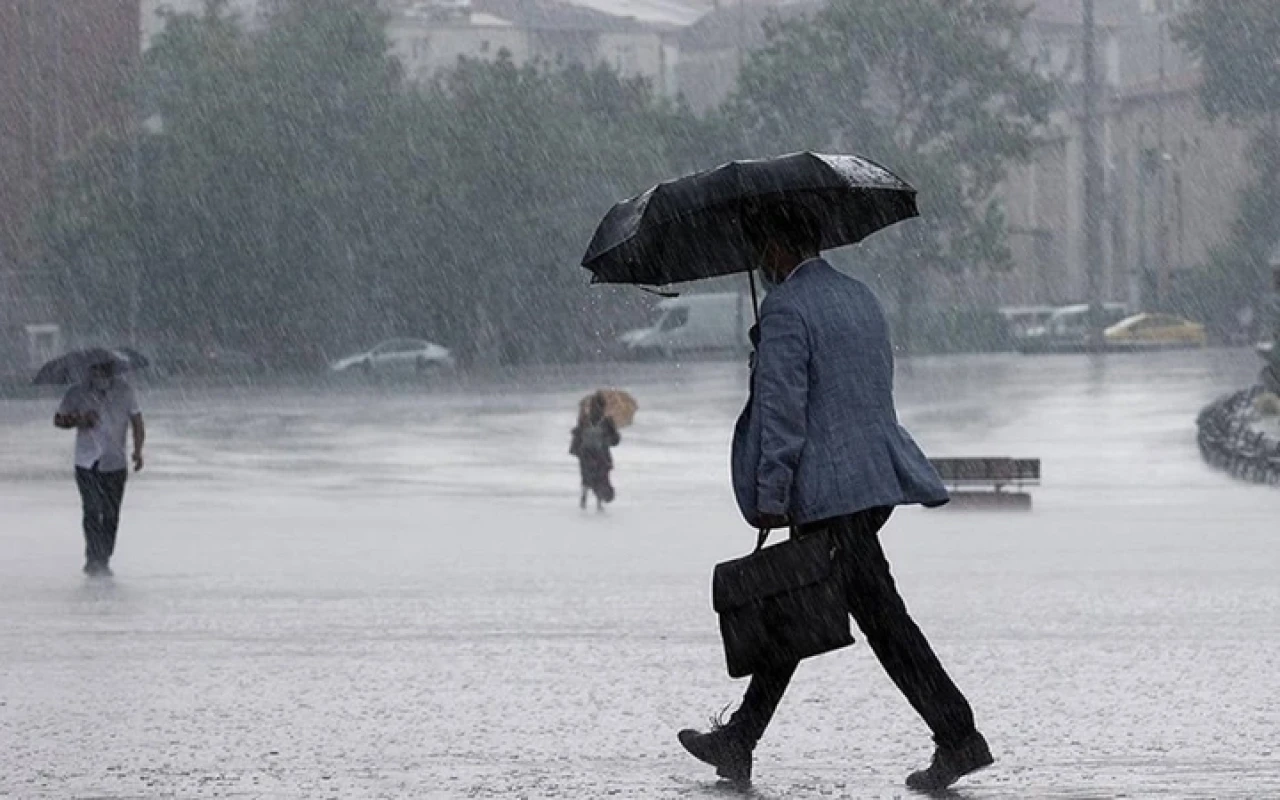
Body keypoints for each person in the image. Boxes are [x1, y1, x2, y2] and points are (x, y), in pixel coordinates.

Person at [677, 202, 991, 792]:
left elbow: (783, 413)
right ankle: (740, 739)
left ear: (777, 246)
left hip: (827, 494)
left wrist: (771, 493)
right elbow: (861, 389)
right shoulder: (859, 297)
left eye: (761, 249)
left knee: (879, 620)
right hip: (870, 482)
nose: (760, 262)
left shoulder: (786, 308)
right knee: (795, 605)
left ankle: (958, 735)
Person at [54, 358, 145, 577]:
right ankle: (93, 558)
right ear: (90, 370)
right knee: (92, 509)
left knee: (111, 513)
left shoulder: (125, 392)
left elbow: (137, 421)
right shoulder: (76, 392)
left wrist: (138, 451)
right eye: (96, 369)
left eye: (105, 369)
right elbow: (58, 420)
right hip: (86, 461)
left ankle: (104, 557)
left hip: (115, 461)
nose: (100, 375)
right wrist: (79, 419)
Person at [569, 391, 620, 511]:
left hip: (590, 454)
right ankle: (595, 501)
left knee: (590, 477)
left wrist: (576, 448)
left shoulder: (588, 420)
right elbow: (615, 440)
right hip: (596, 454)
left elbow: (577, 435)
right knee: (597, 477)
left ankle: (588, 498)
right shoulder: (603, 421)